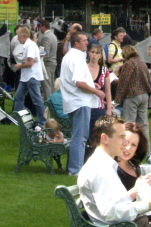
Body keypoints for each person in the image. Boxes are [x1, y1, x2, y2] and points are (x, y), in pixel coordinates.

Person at [78, 115, 151, 227]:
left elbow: (118, 203)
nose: (125, 143)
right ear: (105, 138)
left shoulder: (104, 164)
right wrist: (147, 205)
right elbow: (111, 213)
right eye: (122, 137)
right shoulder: (100, 169)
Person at [61, 31, 102, 176]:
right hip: (79, 101)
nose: (87, 42)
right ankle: (75, 170)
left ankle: (73, 167)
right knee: (80, 137)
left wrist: (92, 85)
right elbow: (79, 82)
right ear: (76, 43)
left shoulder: (71, 56)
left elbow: (79, 80)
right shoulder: (76, 58)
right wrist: (96, 91)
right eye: (84, 40)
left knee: (78, 136)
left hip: (74, 101)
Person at [114, 44, 151, 145]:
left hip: (132, 95)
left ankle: (128, 148)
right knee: (143, 126)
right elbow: (149, 79)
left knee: (129, 125)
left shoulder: (129, 64)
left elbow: (123, 82)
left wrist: (117, 100)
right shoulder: (142, 63)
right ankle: (146, 152)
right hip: (144, 95)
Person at [12, 26, 45, 127]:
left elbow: (30, 63)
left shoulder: (30, 45)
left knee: (37, 99)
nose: (17, 39)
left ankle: (42, 122)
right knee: (18, 96)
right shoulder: (27, 45)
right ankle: (18, 118)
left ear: (24, 36)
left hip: (32, 76)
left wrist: (19, 65)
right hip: (26, 77)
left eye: (18, 37)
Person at [87, 44, 112, 135]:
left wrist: (108, 109)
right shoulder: (83, 67)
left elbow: (108, 91)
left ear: (100, 56)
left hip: (99, 106)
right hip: (85, 104)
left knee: (98, 133)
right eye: (92, 52)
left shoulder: (104, 70)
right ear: (89, 53)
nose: (94, 55)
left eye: (97, 53)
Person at [39, 19, 58, 100]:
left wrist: (41, 63)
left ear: (43, 26)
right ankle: (53, 102)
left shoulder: (46, 37)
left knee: (46, 85)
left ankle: (49, 103)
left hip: (47, 64)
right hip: (53, 62)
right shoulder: (53, 36)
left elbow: (45, 53)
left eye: (40, 27)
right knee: (51, 84)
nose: (40, 29)